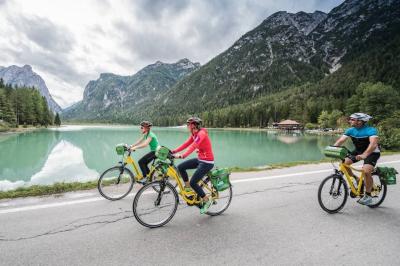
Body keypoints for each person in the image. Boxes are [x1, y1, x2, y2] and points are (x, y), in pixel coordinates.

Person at [333, 113, 380, 205]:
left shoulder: (370, 130)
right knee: (344, 164)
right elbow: (340, 141)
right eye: (351, 119)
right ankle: (357, 179)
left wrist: (365, 155)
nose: (350, 121)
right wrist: (332, 149)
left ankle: (368, 196)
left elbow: (373, 144)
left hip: (372, 152)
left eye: (353, 119)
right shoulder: (350, 130)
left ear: (360, 121)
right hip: (358, 151)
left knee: (366, 171)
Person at [171, 117, 215, 214]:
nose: (187, 126)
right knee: (181, 167)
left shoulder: (201, 134)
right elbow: (186, 144)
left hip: (207, 162)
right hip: (200, 159)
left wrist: (183, 155)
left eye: (188, 124)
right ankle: (188, 189)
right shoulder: (194, 134)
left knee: (193, 182)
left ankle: (206, 200)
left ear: (193, 125)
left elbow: (193, 146)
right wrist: (173, 151)